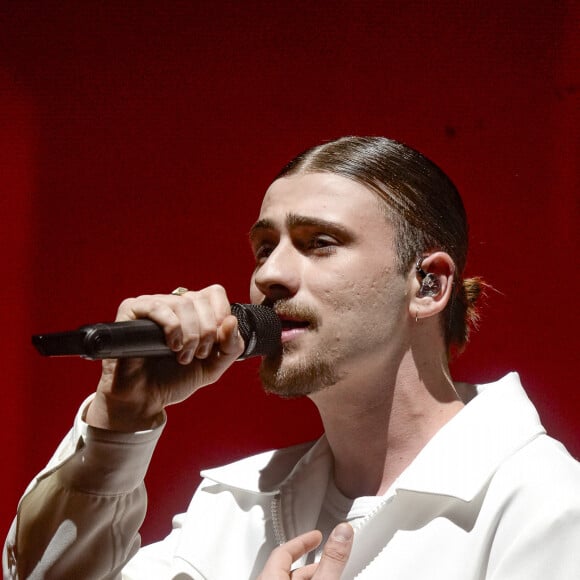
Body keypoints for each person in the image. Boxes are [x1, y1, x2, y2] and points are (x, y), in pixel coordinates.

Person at [4, 136, 580, 579]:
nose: (269, 276)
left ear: (427, 285)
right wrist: (119, 421)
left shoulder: (541, 504)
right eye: (263, 247)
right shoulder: (235, 506)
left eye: (318, 242)